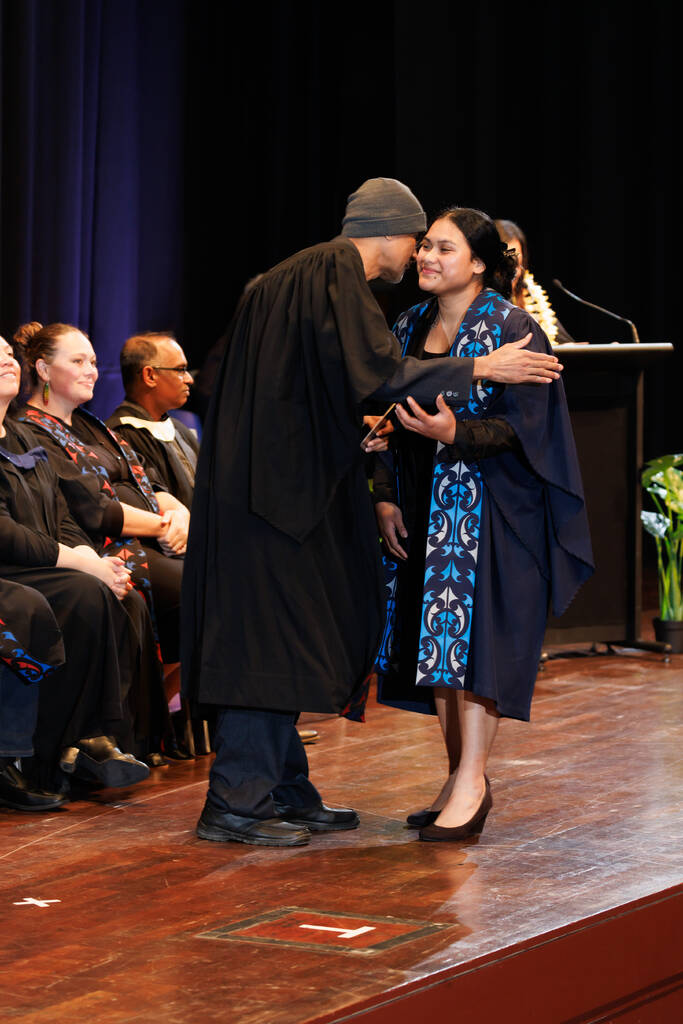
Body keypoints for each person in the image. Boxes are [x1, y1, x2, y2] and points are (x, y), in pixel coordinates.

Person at [181, 177, 564, 849]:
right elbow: (378, 373)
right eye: (418, 242)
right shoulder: (335, 271)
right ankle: (237, 802)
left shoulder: (286, 277)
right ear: (389, 233)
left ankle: (282, 790)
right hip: (278, 499)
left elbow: (310, 384)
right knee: (267, 644)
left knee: (283, 639)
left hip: (265, 484)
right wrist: (481, 370)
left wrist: (352, 433)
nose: (417, 257)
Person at [373, 207, 593, 841]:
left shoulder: (512, 327)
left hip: (491, 510)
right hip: (420, 506)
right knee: (438, 650)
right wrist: (383, 495)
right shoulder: (409, 324)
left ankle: (473, 780)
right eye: (425, 246)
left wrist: (457, 433)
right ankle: (457, 775)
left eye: (444, 248)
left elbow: (530, 428)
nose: (426, 257)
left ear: (477, 263)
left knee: (477, 652)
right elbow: (383, 415)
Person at [0, 335, 152, 793]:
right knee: (81, 592)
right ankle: (49, 753)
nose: (7, 360)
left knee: (116, 593)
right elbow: (4, 532)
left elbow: (62, 514)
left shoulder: (22, 436)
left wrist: (88, 557)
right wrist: (79, 565)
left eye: (8, 353)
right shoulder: (30, 426)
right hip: (9, 565)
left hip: (39, 560)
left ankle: (90, 742)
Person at [106, 332, 199, 510]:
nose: (189, 379)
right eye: (180, 370)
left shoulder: (180, 429)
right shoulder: (120, 436)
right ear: (149, 376)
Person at [494, 219, 574, 345]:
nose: (513, 271)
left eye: (516, 263)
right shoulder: (480, 302)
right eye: (506, 261)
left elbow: (563, 342)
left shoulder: (530, 294)